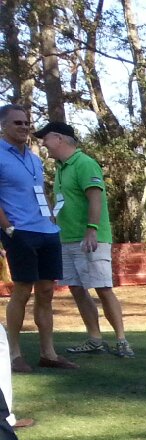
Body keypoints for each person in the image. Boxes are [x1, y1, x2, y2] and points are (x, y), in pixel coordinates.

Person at [36, 121, 132, 358]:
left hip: (90, 238)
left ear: (59, 138)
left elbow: (95, 198)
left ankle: (122, 340)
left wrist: (92, 229)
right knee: (77, 289)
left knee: (103, 288)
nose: (43, 143)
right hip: (66, 239)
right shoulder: (61, 168)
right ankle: (95, 339)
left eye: (46, 138)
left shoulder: (84, 163)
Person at [0, 103, 77, 373]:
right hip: (19, 231)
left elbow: (39, 192)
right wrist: (8, 227)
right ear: (3, 126)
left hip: (46, 231)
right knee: (22, 290)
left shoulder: (34, 158)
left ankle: (48, 353)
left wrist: (50, 220)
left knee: (46, 292)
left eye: (26, 122)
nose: (24, 127)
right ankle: (14, 355)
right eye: (17, 123)